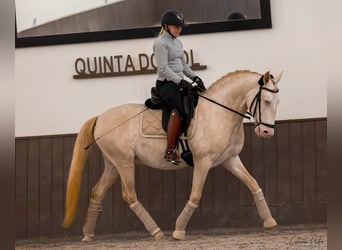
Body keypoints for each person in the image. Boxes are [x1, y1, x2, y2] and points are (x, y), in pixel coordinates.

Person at [153, 9, 206, 165]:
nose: (179, 29)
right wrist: (180, 81)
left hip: (178, 82)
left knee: (198, 100)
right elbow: (163, 68)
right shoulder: (160, 43)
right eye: (176, 26)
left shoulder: (178, 42)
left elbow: (182, 65)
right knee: (179, 109)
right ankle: (170, 151)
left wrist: (194, 77)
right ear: (167, 26)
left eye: (180, 26)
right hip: (166, 85)